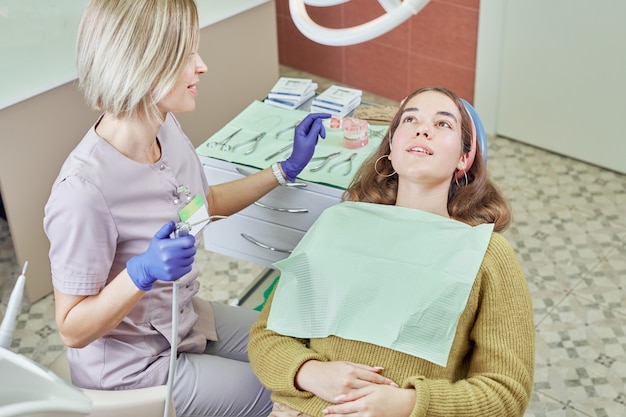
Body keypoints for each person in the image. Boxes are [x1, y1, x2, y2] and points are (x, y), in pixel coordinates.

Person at [43, 1, 330, 416]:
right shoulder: (83, 192)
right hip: (135, 365)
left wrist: (282, 170)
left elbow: (204, 205)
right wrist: (140, 273)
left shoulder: (164, 127)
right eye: (185, 55)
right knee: (284, 393)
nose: (201, 66)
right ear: (142, 64)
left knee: (294, 345)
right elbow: (72, 329)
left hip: (183, 318)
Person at [248, 86, 535, 417]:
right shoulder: (337, 225)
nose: (422, 128)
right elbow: (266, 338)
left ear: (463, 158)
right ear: (392, 146)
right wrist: (309, 372)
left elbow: (507, 392)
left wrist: (409, 403)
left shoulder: (486, 254)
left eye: (443, 124)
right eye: (410, 119)